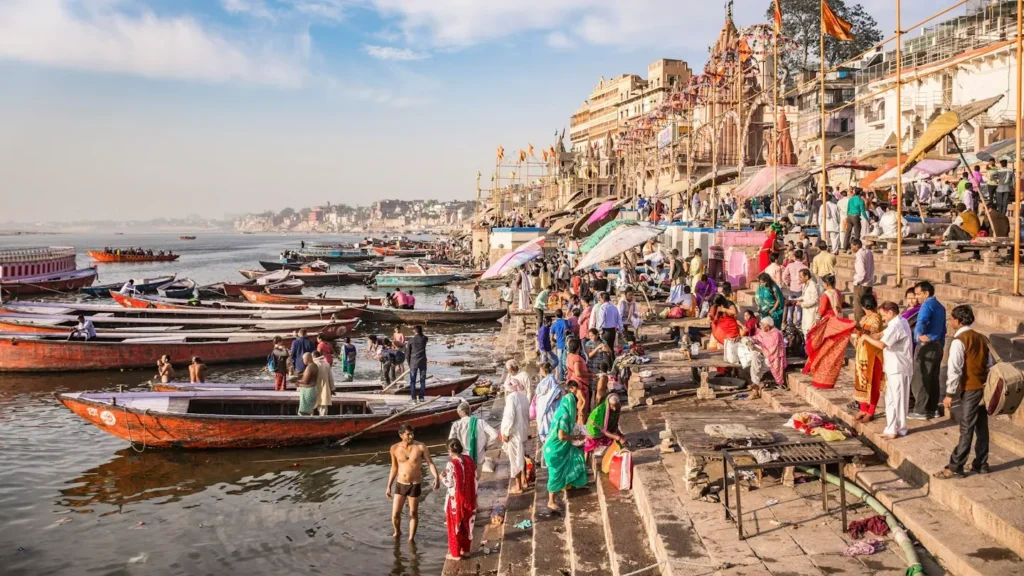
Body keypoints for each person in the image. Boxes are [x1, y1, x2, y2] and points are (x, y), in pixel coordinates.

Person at [935, 305, 993, 478]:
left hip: (970, 388)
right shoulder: (981, 338)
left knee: (966, 428)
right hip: (983, 388)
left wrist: (949, 394)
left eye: (952, 319)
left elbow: (954, 370)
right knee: (981, 427)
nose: (951, 322)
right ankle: (981, 463)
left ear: (958, 321)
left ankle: (955, 466)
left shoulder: (959, 341)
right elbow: (990, 364)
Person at [857, 301, 913, 439]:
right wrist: (866, 336)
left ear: (890, 312)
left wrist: (865, 338)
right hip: (894, 367)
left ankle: (897, 429)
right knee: (893, 399)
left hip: (898, 367)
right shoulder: (898, 322)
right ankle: (893, 428)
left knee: (896, 399)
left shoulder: (897, 325)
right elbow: (881, 334)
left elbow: (881, 344)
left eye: (883, 315)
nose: (883, 319)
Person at [386, 425, 441, 541]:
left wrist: (436, 477)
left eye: (412, 433)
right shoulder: (394, 448)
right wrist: (389, 486)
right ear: (401, 435)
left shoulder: (420, 447)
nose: (411, 436)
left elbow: (430, 463)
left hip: (414, 484)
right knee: (395, 513)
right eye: (408, 434)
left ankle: (411, 538)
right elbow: (394, 468)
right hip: (400, 484)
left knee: (413, 512)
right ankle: (397, 532)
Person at [542, 384, 589, 513]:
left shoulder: (560, 411)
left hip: (557, 448)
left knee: (575, 457)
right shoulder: (564, 416)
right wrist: (576, 437)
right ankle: (551, 501)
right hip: (555, 450)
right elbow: (561, 436)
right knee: (555, 474)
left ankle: (568, 484)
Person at [804, 274, 856, 390]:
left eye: (823, 283)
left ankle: (818, 367)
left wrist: (816, 320)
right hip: (838, 319)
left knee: (820, 346)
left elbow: (822, 310)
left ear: (826, 284)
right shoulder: (838, 292)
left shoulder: (825, 295)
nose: (823, 285)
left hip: (828, 322)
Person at [911, 281, 946, 420]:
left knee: (920, 378)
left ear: (926, 293)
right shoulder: (940, 307)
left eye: (918, 294)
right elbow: (943, 329)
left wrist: (919, 334)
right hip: (938, 344)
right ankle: (932, 408)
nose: (917, 298)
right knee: (933, 378)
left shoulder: (927, 305)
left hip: (927, 344)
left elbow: (922, 321)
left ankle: (920, 410)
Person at [440, 438, 477, 561]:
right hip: (469, 498)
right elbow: (474, 478)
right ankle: (466, 551)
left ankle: (455, 554)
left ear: (450, 450)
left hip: (456, 500)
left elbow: (450, 483)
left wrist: (442, 477)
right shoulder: (469, 460)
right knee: (466, 525)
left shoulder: (451, 464)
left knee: (454, 525)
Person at [851, 292, 885, 423]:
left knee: (873, 384)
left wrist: (858, 328)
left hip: (873, 356)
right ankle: (863, 408)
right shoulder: (864, 318)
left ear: (863, 307)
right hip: (862, 355)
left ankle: (871, 411)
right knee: (861, 382)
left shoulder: (876, 318)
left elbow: (872, 333)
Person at [501, 368, 530, 494]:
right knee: (521, 456)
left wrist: (506, 433)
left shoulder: (511, 399)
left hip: (514, 434)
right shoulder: (523, 397)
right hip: (523, 431)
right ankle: (525, 480)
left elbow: (509, 417)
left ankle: (518, 486)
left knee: (515, 460)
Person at [448, 400, 498, 472]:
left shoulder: (456, 425)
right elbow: (495, 434)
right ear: (469, 412)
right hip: (479, 458)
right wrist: (487, 445)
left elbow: (451, 442)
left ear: (460, 413)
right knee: (476, 480)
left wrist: (453, 456)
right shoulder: (480, 422)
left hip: (462, 458)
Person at [748, 317, 787, 395]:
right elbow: (756, 338)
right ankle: (755, 384)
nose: (761, 326)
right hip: (764, 354)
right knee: (754, 360)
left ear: (768, 326)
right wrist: (750, 340)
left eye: (762, 324)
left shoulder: (776, 333)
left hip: (774, 357)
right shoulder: (763, 332)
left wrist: (756, 349)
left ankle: (755, 384)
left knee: (758, 368)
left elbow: (772, 350)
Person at [782, 249, 809, 325]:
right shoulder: (805, 267)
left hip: (792, 288)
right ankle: (798, 323)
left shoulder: (790, 265)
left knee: (790, 306)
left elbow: (784, 276)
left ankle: (789, 322)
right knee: (799, 307)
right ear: (802, 256)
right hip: (801, 289)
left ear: (794, 257)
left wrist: (788, 283)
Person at [851, 239, 874, 322]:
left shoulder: (859, 254)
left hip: (861, 284)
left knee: (859, 307)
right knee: (868, 305)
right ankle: (868, 323)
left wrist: (857, 282)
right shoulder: (869, 252)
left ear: (857, 246)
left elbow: (861, 272)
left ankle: (859, 326)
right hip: (869, 283)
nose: (852, 249)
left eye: (852, 246)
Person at [594, 291, 622, 359]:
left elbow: (601, 320)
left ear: (602, 298)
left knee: (606, 349)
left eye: (599, 298)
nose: (599, 300)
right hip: (613, 331)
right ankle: (613, 366)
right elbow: (619, 320)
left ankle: (608, 367)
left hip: (605, 331)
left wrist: (598, 330)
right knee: (611, 348)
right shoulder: (614, 307)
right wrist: (620, 330)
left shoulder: (603, 307)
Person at [405, 325, 428, 401]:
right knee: (422, 380)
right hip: (422, 362)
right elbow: (424, 337)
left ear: (414, 331)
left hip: (413, 362)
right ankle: (421, 397)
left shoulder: (411, 340)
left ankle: (413, 398)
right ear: (421, 331)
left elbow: (407, 354)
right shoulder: (424, 338)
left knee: (412, 381)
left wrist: (409, 363)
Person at [313, 350, 335, 416]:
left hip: (314, 388)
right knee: (323, 406)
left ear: (314, 356)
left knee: (312, 406)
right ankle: (324, 421)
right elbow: (330, 378)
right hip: (325, 389)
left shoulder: (313, 364)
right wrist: (332, 389)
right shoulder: (326, 364)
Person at [798, 269, 820, 335]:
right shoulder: (804, 285)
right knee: (804, 329)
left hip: (812, 312)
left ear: (807, 277)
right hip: (806, 311)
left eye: (800, 277)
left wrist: (802, 304)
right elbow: (804, 296)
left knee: (810, 330)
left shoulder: (812, 285)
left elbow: (815, 299)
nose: (799, 279)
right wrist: (795, 300)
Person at [297, 352, 319, 416]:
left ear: (308, 359)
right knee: (308, 411)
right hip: (312, 389)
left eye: (304, 359)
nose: (303, 361)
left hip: (308, 391)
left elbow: (305, 381)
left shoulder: (310, 367)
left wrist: (297, 381)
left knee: (304, 412)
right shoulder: (315, 365)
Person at [550, 309, 570, 382]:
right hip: (568, 344)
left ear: (555, 316)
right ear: (563, 314)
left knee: (560, 361)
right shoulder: (567, 322)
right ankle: (568, 375)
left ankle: (561, 377)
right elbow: (571, 331)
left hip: (559, 345)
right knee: (568, 360)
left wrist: (556, 341)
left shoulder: (554, 324)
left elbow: (551, 337)